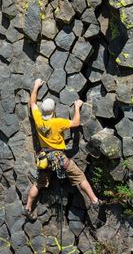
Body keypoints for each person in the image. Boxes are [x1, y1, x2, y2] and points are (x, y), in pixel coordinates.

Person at [25, 78, 100, 219]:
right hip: (59, 158)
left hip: (44, 158)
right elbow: (75, 123)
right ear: (54, 111)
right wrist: (77, 107)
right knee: (79, 176)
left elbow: (32, 103)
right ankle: (95, 200)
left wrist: (35, 86)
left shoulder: (38, 119)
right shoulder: (57, 122)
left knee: (38, 183)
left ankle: (28, 207)